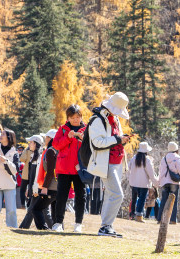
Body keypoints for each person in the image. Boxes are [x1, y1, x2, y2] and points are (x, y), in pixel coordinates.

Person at [87, 92, 131, 238]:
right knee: (118, 194)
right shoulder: (98, 119)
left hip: (116, 162)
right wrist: (118, 139)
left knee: (111, 194)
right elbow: (97, 142)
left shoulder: (114, 118)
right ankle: (105, 226)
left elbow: (114, 139)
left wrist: (122, 140)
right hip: (106, 162)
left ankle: (106, 226)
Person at [52, 104, 87, 233]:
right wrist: (68, 138)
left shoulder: (86, 129)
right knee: (61, 196)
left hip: (80, 168)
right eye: (72, 117)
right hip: (64, 168)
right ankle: (58, 223)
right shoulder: (63, 129)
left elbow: (92, 147)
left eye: (77, 117)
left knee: (80, 196)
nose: (75, 120)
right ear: (68, 118)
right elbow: (55, 145)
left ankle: (78, 223)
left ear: (81, 117)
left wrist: (83, 139)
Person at [150, 141, 180, 224]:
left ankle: (160, 219)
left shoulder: (164, 159)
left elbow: (161, 172)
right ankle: (173, 220)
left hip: (164, 182)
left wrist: (158, 182)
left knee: (163, 201)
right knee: (173, 201)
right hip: (174, 182)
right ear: (176, 149)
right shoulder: (178, 158)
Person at [0, 129, 20, 228]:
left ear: (9, 137)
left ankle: (12, 228)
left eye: (3, 134)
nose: (0, 136)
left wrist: (6, 161)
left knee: (11, 210)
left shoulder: (14, 152)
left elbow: (15, 170)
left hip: (9, 184)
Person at [31, 131, 59, 230]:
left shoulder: (51, 151)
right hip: (59, 186)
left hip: (51, 186)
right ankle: (57, 228)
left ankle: (43, 228)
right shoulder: (59, 150)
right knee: (55, 210)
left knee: (36, 209)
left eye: (46, 137)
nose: (45, 139)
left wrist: (45, 187)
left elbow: (50, 171)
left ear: (50, 138)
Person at [128, 142, 154, 223]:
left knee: (134, 199)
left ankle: (132, 214)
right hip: (144, 183)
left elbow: (128, 169)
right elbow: (151, 173)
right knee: (142, 199)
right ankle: (139, 216)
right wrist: (156, 183)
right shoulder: (147, 160)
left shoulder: (134, 158)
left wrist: (129, 179)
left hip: (133, 183)